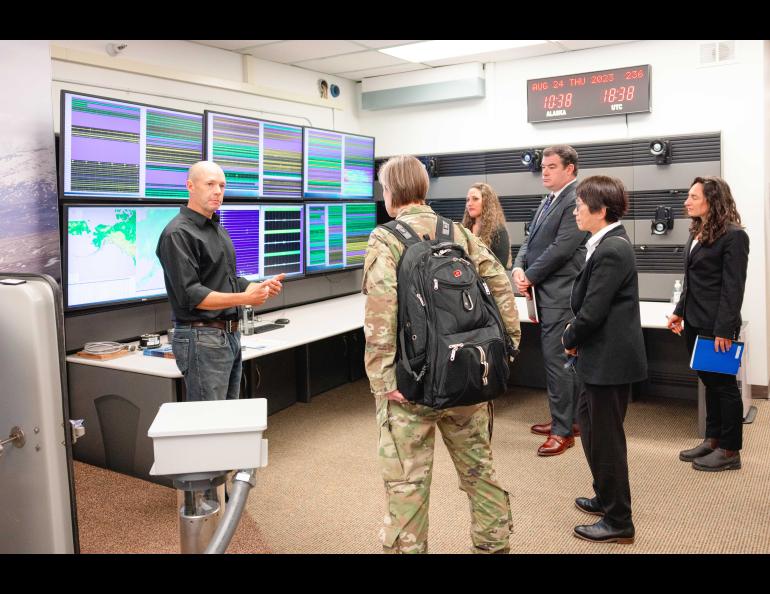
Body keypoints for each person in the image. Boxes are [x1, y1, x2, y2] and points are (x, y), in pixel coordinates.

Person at [363, 155, 521, 554]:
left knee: (408, 485)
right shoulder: (458, 232)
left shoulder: (386, 238)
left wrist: (384, 383)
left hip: (411, 385)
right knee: (479, 473)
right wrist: (507, 348)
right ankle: (494, 545)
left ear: (390, 193)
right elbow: (500, 284)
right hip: (467, 375)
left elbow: (380, 310)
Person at [561, 175, 647, 544]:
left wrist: (569, 337)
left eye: (580, 204)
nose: (575, 209)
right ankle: (605, 495)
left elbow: (593, 312)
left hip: (609, 361)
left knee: (607, 439)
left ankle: (619, 521)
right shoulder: (604, 243)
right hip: (599, 359)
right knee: (593, 431)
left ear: (600, 209)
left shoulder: (612, 249)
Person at [156, 160, 285, 401]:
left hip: (228, 336)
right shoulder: (177, 234)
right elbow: (191, 295)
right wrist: (245, 298)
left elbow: (226, 278)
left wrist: (255, 287)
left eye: (222, 186)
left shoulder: (215, 228)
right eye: (210, 184)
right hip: (202, 338)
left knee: (228, 417)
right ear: (190, 186)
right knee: (210, 422)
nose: (218, 191)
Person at [667, 176, 749, 472]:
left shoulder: (734, 236)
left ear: (712, 200)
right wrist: (679, 311)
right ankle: (712, 439)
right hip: (694, 321)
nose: (686, 201)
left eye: (693, 197)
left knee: (724, 386)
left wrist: (724, 330)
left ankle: (730, 450)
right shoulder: (698, 232)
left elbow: (733, 287)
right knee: (709, 384)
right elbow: (691, 281)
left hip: (717, 327)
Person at [512, 145, 588, 456]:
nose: (544, 171)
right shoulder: (549, 200)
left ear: (570, 169)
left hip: (561, 295)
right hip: (547, 293)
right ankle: (566, 420)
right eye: (543, 166)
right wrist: (518, 266)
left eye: (552, 166)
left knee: (559, 363)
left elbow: (562, 248)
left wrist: (530, 277)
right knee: (559, 363)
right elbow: (530, 240)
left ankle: (563, 432)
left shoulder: (574, 199)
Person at [462, 182, 511, 269]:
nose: (469, 203)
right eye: (468, 200)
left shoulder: (499, 231)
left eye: (475, 199)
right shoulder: (465, 228)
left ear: (487, 202)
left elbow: (500, 267)